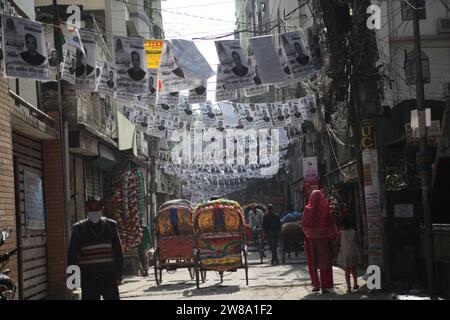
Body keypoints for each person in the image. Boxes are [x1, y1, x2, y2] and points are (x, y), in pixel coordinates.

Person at [67, 200, 124, 300]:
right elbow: (72, 255)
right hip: (88, 277)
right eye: (91, 209)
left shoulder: (111, 226)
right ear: (86, 210)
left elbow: (118, 252)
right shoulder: (79, 229)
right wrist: (73, 278)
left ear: (102, 210)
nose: (94, 212)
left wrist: (119, 273)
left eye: (96, 209)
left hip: (108, 275)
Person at [302, 189, 338, 294]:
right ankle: (325, 286)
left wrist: (311, 233)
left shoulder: (307, 210)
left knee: (312, 263)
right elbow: (331, 223)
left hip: (310, 240)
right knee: (325, 263)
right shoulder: (326, 209)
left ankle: (316, 285)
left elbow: (304, 224)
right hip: (324, 240)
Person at [337, 216, 361, 293]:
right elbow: (357, 241)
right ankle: (355, 284)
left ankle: (349, 288)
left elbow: (337, 242)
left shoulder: (340, 233)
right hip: (353, 251)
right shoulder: (353, 231)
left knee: (347, 270)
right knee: (353, 269)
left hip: (344, 252)